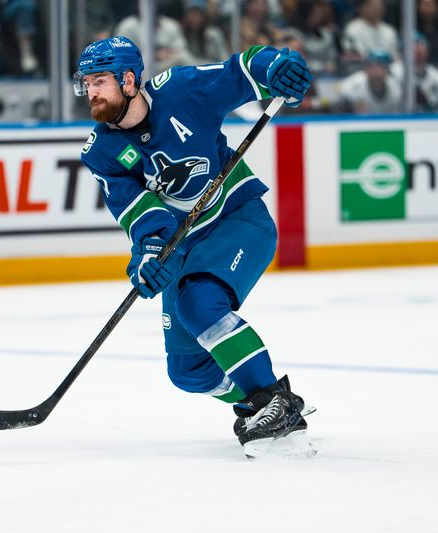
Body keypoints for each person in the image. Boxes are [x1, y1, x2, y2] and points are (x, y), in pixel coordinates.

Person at [74, 35, 314, 454]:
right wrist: (148, 256)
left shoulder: (181, 90)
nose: (91, 92)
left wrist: (275, 68)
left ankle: (273, 404)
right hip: (184, 246)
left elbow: (240, 71)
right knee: (189, 370)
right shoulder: (101, 152)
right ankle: (265, 400)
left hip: (237, 219)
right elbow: (139, 213)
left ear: (128, 80)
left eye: (99, 82)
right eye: (87, 84)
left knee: (199, 304)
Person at [339, 49, 401, 114]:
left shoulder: (395, 86)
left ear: (387, 70)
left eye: (381, 66)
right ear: (366, 68)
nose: (376, 71)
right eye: (371, 66)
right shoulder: (352, 84)